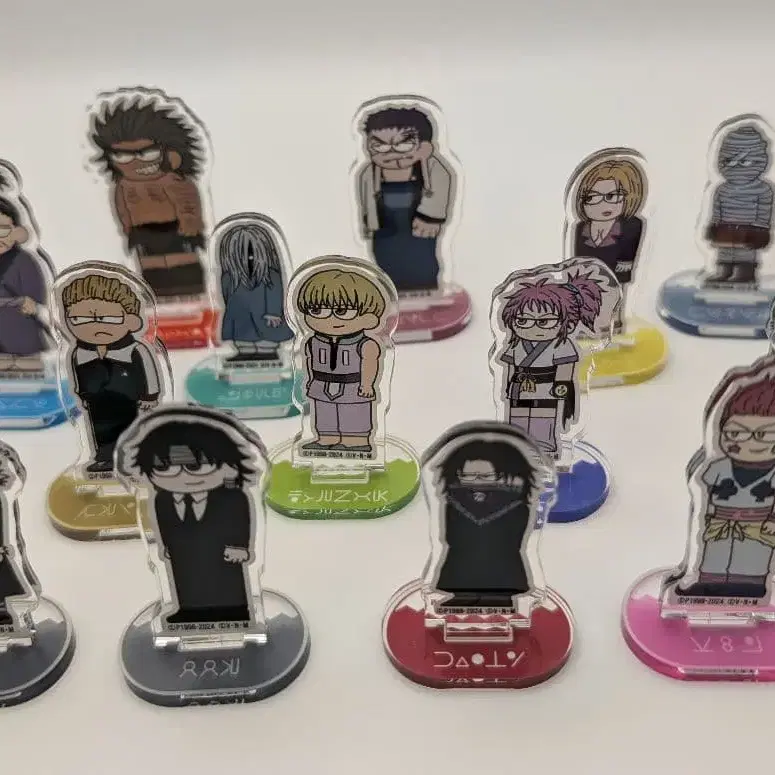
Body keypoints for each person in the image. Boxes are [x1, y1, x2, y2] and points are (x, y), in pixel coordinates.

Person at [129, 415, 257, 625]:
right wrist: (166, 545)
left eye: (194, 466)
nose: (180, 474)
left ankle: (233, 609)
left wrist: (240, 546)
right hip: (182, 549)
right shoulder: (162, 498)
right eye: (163, 467)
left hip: (221, 550)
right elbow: (163, 522)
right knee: (185, 577)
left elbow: (241, 518)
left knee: (224, 579)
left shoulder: (232, 496)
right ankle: (188, 609)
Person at [90, 94, 208, 299]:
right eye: (122, 155)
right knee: (152, 269)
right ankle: (158, 296)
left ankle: (190, 293)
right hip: (143, 234)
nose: (135, 162)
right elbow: (122, 210)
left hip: (175, 230)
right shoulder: (123, 186)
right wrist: (129, 230)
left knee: (182, 265)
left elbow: (188, 203)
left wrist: (190, 224)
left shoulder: (173, 180)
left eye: (146, 153)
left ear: (169, 151)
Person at [678, 375, 775, 600]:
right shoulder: (718, 466)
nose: (746, 442)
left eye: (762, 435)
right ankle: (708, 586)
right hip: (718, 525)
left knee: (751, 560)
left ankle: (751, 587)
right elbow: (701, 485)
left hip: (757, 528)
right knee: (714, 557)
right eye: (735, 433)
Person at [499, 270, 608, 458]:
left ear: (568, 323)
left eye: (544, 322)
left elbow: (566, 369)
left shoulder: (562, 345)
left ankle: (545, 449)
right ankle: (519, 449)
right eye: (523, 320)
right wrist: (508, 387)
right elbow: (510, 368)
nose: (532, 327)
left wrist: (561, 389)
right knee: (518, 419)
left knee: (543, 421)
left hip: (547, 389)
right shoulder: (516, 345)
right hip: (519, 388)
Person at [61, 273, 161, 473]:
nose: (94, 326)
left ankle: (135, 457)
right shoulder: (79, 353)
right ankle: (106, 458)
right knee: (100, 431)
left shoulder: (136, 350)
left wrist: (150, 396)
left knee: (132, 428)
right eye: (79, 319)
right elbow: (78, 377)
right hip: (97, 402)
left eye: (106, 318)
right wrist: (82, 395)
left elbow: (150, 372)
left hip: (130, 401)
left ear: (132, 321)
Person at [429, 435, 539, 610]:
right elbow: (451, 537)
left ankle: (497, 602)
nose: (477, 481)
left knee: (500, 595)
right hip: (463, 563)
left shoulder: (515, 504)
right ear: (459, 474)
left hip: (501, 566)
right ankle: (466, 598)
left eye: (485, 476)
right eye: (469, 476)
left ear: (500, 476)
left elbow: (516, 536)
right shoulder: (454, 502)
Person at [356, 106, 453, 293]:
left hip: (420, 230)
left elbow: (442, 185)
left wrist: (431, 217)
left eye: (402, 144)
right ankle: (391, 292)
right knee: (386, 262)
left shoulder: (431, 167)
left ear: (424, 147)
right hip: (384, 232)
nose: (391, 153)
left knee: (422, 262)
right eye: (380, 146)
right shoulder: (368, 173)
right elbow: (365, 200)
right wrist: (368, 225)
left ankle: (426, 290)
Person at [295, 267, 386, 454]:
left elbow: (370, 362)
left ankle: (356, 442)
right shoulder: (313, 341)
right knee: (324, 414)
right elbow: (310, 362)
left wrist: (367, 384)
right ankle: (325, 439)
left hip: (353, 386)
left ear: (369, 317)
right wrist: (310, 380)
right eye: (316, 310)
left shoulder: (366, 344)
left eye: (341, 310)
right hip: (321, 385)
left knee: (353, 415)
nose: (329, 319)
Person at [572, 158, 645, 331]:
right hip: (588, 277)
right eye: (592, 197)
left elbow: (629, 252)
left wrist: (623, 270)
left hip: (615, 274)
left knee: (613, 301)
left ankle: (614, 327)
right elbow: (578, 257)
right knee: (589, 303)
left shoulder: (632, 225)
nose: (603, 204)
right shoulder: (581, 227)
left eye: (612, 196)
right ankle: (589, 326)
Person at [703, 124, 774, 287]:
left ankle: (745, 272)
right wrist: (714, 225)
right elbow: (716, 209)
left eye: (744, 161)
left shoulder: (763, 189)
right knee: (725, 251)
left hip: (749, 228)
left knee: (745, 251)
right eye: (728, 160)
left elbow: (764, 210)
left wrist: (761, 228)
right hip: (725, 227)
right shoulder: (721, 189)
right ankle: (724, 270)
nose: (735, 166)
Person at [217, 219, 293, 362]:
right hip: (240, 316)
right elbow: (226, 295)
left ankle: (267, 352)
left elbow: (275, 293)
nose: (249, 258)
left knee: (267, 337)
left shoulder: (270, 275)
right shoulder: (229, 277)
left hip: (265, 316)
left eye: (252, 254)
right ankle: (244, 352)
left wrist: (273, 313)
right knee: (242, 337)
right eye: (242, 255)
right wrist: (232, 312)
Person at [0, 198, 50, 373]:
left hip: (21, 344)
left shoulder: (23, 261)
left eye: (4, 229)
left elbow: (36, 301)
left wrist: (32, 306)